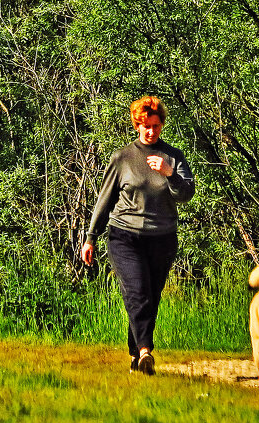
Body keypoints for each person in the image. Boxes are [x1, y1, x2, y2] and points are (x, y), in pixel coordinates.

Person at [80, 96, 195, 375]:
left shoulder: (173, 156)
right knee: (137, 293)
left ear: (162, 125)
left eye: (156, 126)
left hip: (162, 238)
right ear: (137, 125)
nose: (151, 131)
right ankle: (146, 351)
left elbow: (186, 194)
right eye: (145, 126)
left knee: (151, 298)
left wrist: (169, 173)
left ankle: (136, 356)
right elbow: (105, 200)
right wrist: (91, 237)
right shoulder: (122, 158)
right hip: (125, 236)